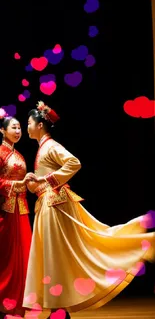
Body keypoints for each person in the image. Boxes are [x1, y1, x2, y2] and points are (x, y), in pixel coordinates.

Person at [23, 101, 155, 319]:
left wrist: (46, 179)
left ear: (39, 125)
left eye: (28, 122)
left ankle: (59, 307)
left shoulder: (50, 146)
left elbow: (74, 163)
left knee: (60, 254)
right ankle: (58, 307)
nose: (27, 126)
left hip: (56, 206)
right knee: (55, 256)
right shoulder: (44, 147)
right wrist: (34, 183)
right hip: (49, 204)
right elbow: (48, 177)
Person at [0, 108, 35, 318]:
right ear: (2, 130)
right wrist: (18, 184)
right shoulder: (0, 152)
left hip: (21, 209)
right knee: (6, 258)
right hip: (5, 210)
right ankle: (3, 302)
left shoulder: (19, 154)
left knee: (24, 256)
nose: (18, 130)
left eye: (20, 127)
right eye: (13, 127)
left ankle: (19, 302)